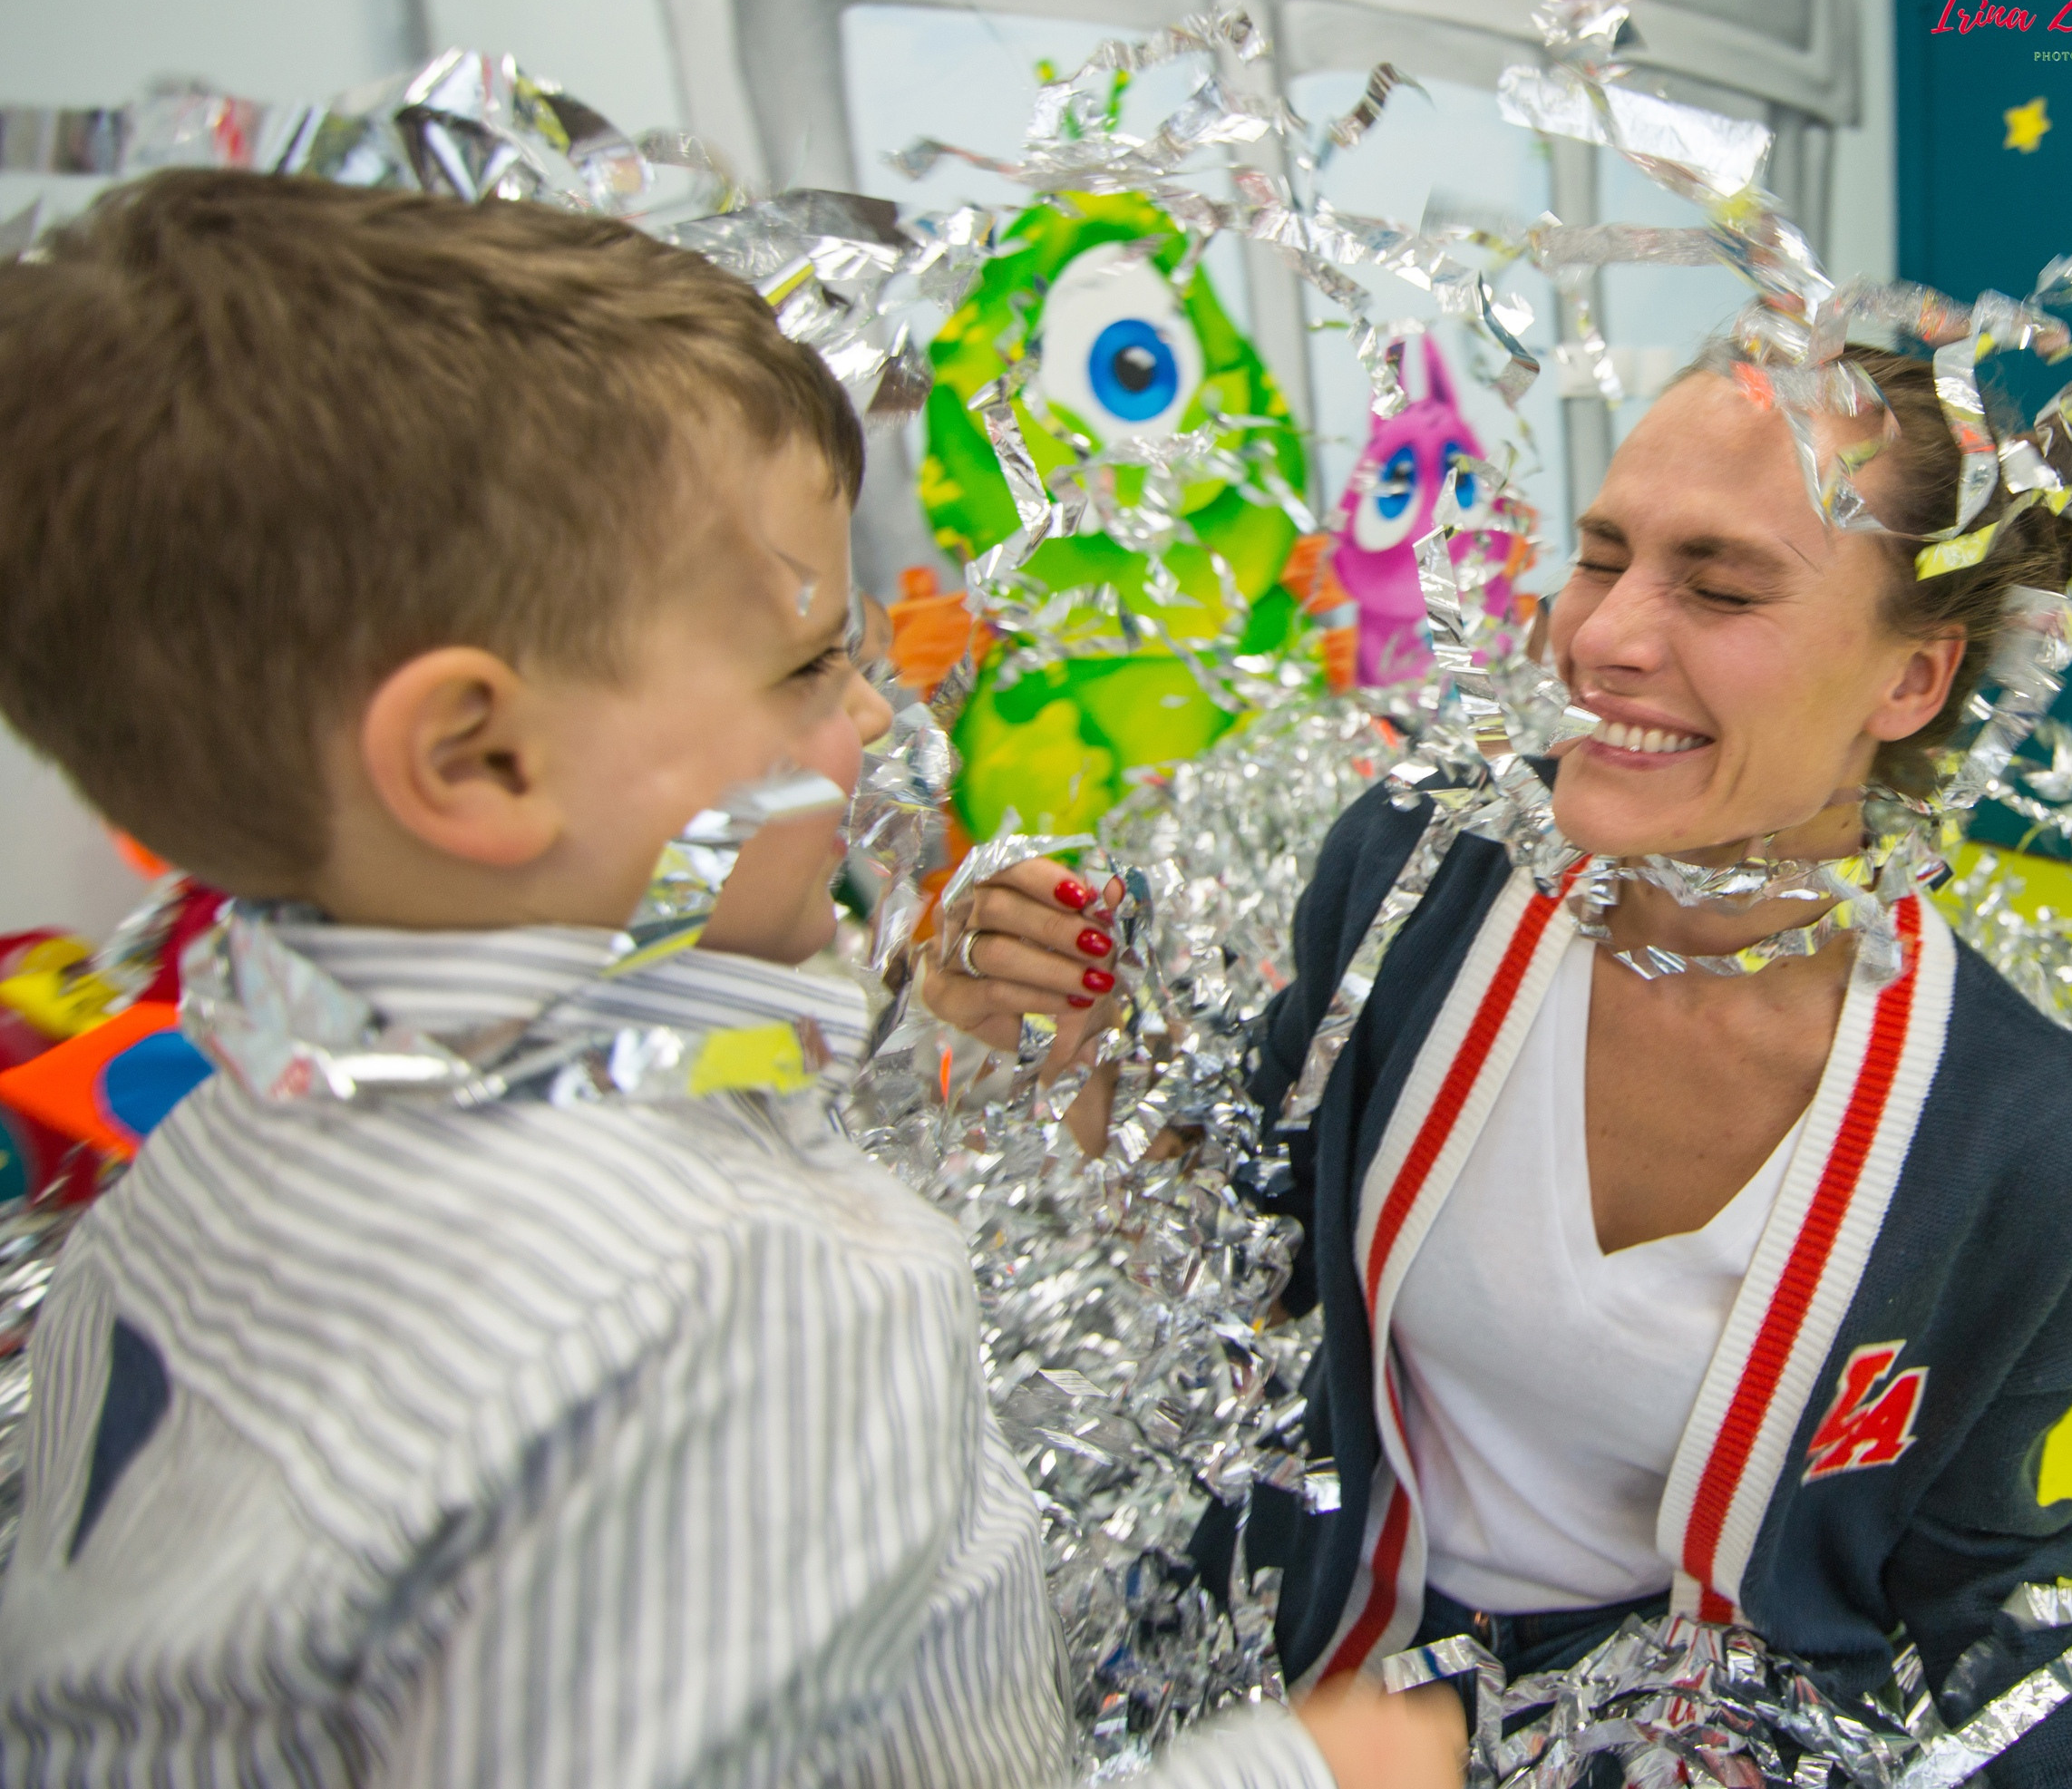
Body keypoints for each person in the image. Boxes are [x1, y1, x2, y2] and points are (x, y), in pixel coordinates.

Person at [0, 170, 1464, 1789]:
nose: (868, 724)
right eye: (802, 665)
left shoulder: (215, 1159)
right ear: (480, 759)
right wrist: (1295, 1774)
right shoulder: (725, 1302)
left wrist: (915, 1054)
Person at [931, 347, 2072, 1785]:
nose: (1603, 636)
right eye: (1600, 554)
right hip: (1301, 1679)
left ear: (1913, 677)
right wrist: (1095, 1063)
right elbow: (1259, 1244)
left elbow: (1969, 1592)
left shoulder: (2013, 1137)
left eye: (1723, 584)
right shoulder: (1415, 880)